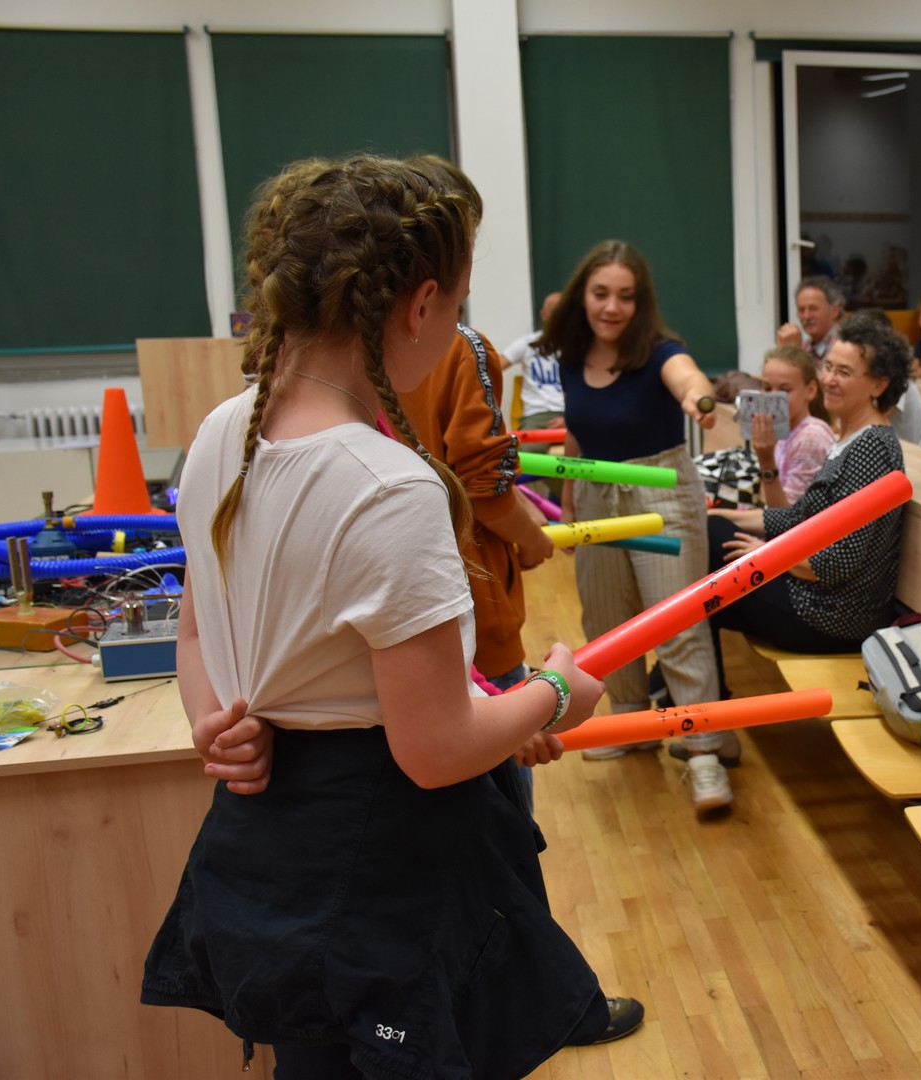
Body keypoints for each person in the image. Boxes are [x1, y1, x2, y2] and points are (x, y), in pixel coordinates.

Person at [140, 155, 637, 1080]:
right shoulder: (389, 487)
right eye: (457, 304)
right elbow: (436, 748)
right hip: (374, 868)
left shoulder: (220, 432)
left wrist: (216, 720)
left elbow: (199, 634)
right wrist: (553, 691)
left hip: (266, 849)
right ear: (420, 305)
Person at [543, 241, 730, 810]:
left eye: (625, 296)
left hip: (660, 492)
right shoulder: (573, 358)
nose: (612, 307)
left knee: (677, 623)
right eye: (601, 293)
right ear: (583, 296)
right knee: (607, 619)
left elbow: (687, 377)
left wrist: (699, 397)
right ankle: (630, 721)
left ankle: (703, 749)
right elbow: (577, 435)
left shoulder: (659, 351)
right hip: (596, 495)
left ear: (640, 301)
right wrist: (570, 504)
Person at [707, 313, 908, 699]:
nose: (830, 379)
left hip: (832, 616)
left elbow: (837, 563)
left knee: (704, 569)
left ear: (879, 384)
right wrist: (720, 515)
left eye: (844, 372)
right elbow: (797, 518)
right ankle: (697, 701)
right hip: (812, 597)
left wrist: (766, 557)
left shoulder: (872, 448)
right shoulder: (849, 438)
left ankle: (696, 703)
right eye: (828, 367)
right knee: (706, 547)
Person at [399, 325, 552, 694]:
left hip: (391, 619)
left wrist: (518, 501)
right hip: (471, 610)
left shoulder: (341, 344)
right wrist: (534, 542)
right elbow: (486, 498)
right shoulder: (459, 346)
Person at [749, 344, 835, 507]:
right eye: (767, 388)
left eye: (785, 390)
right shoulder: (782, 431)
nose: (773, 399)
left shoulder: (811, 438)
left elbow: (787, 517)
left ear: (810, 390)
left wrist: (766, 461)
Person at [504, 290, 566, 430]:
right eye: (555, 313)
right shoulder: (528, 343)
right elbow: (491, 366)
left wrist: (570, 418)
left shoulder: (581, 347)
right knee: (529, 444)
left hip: (571, 415)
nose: (560, 319)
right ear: (544, 315)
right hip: (536, 414)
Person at [778, 275, 844, 361]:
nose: (807, 316)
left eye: (813, 309)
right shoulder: (806, 346)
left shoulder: (844, 346)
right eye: (801, 310)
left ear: (835, 311)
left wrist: (792, 352)